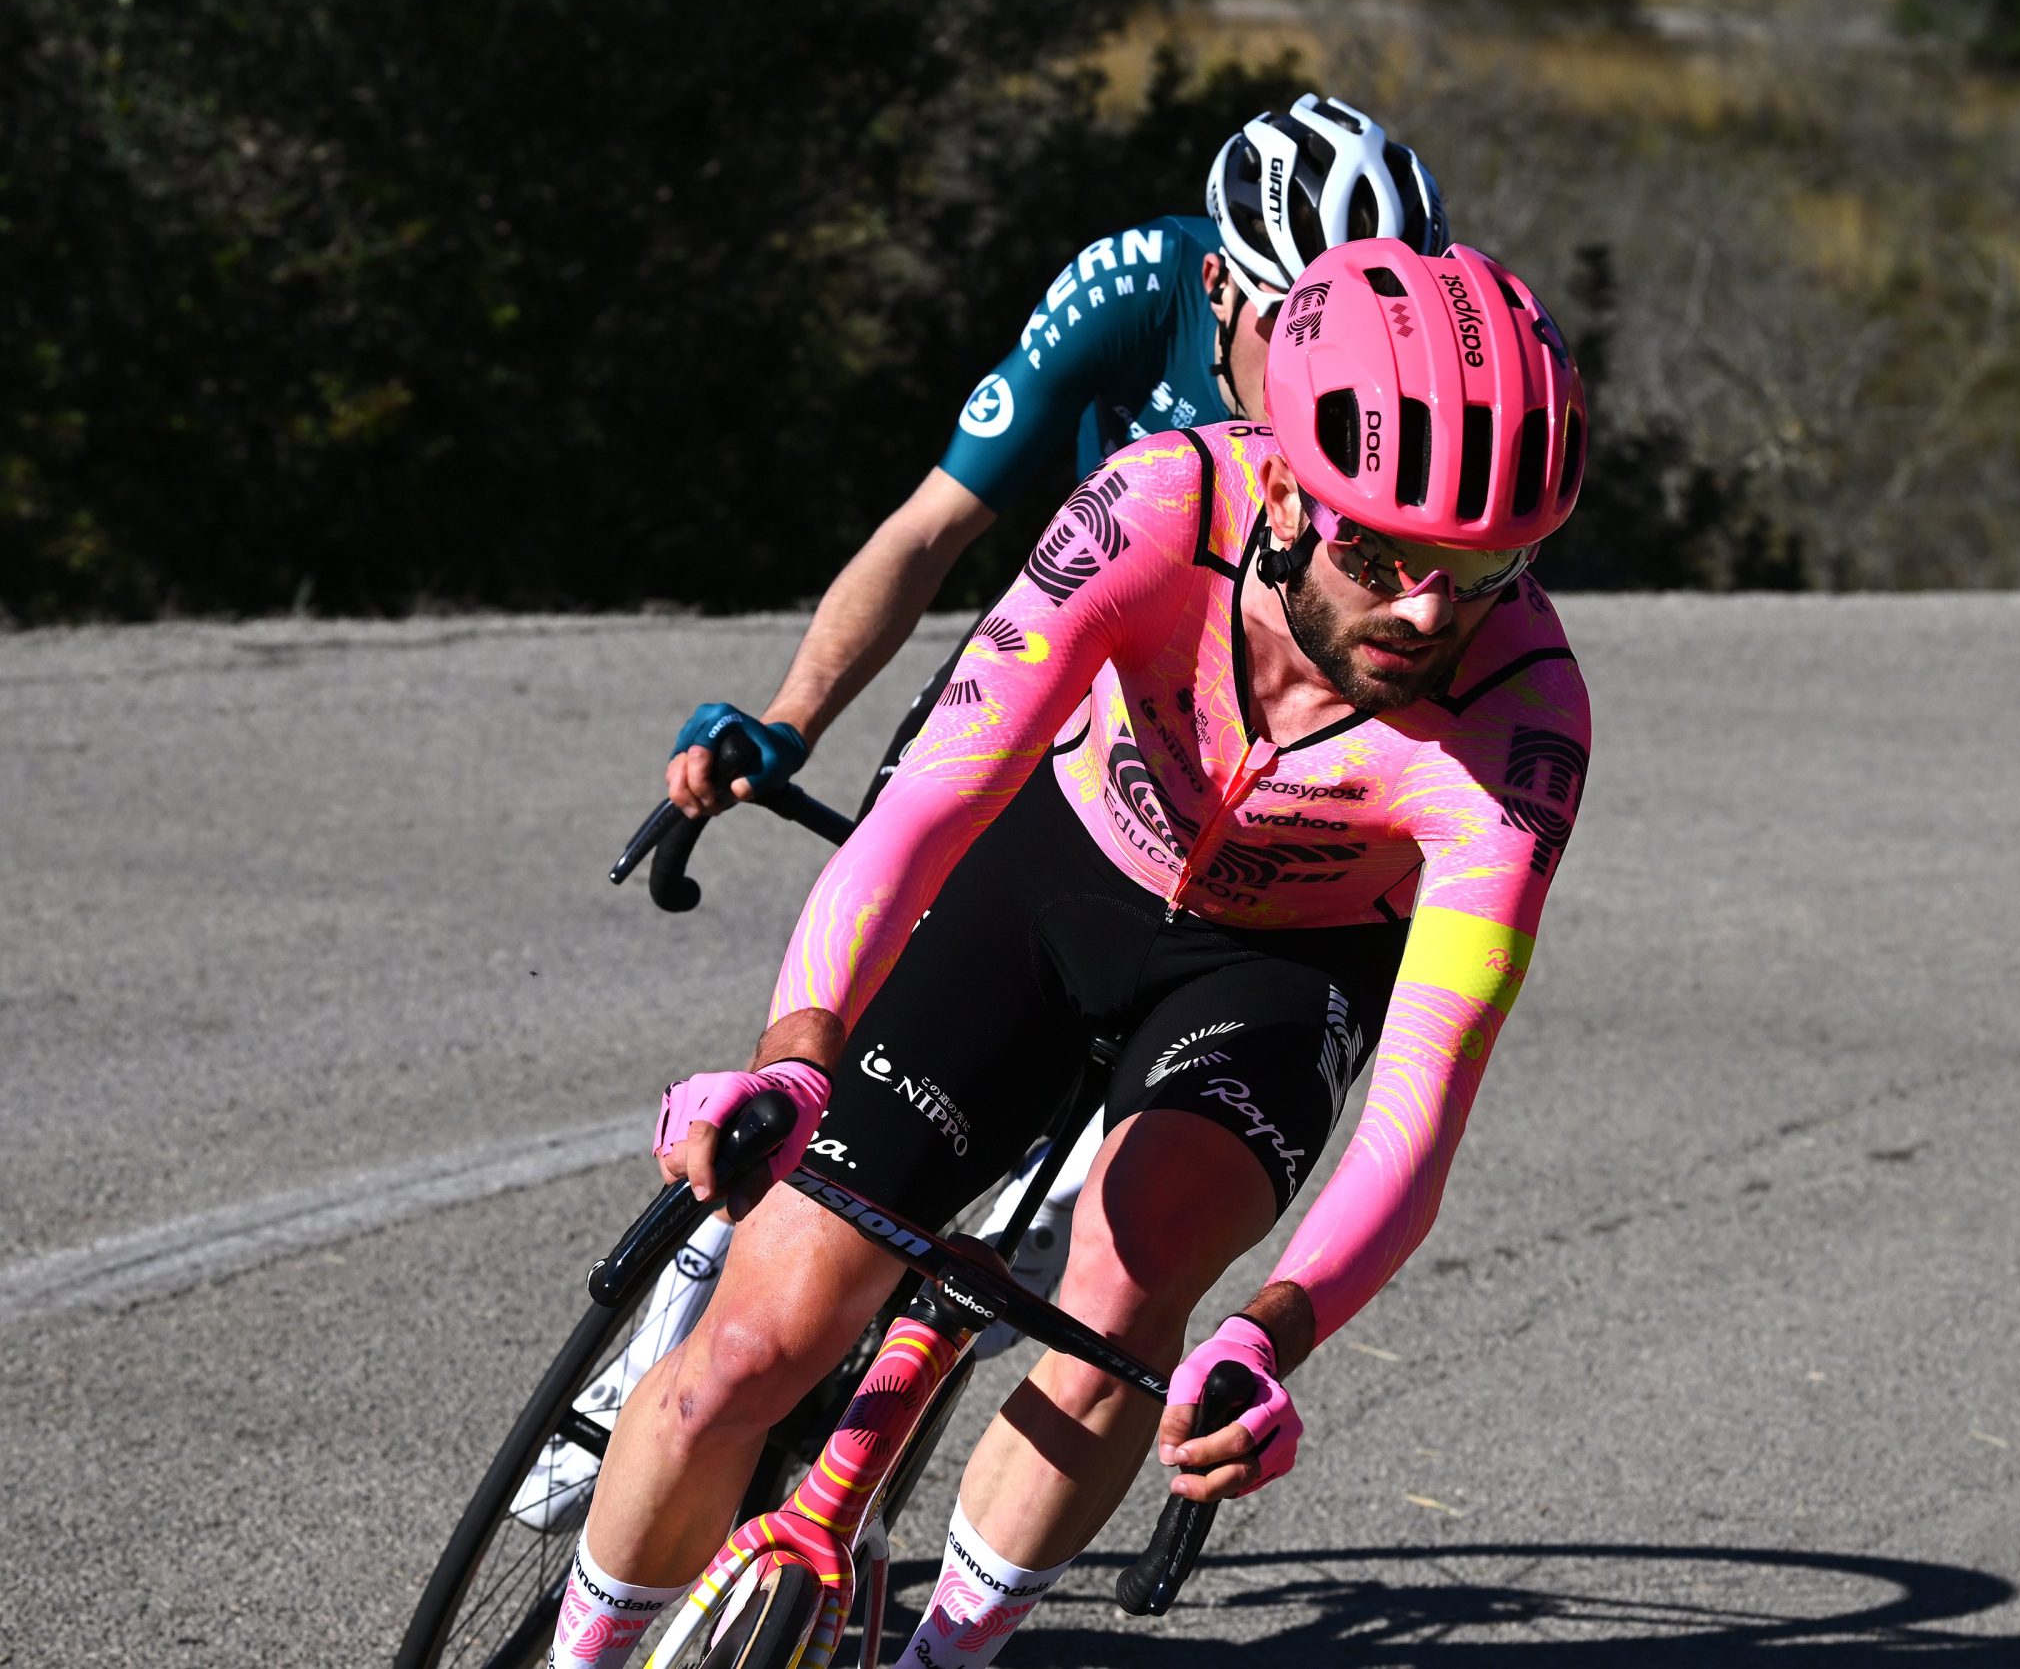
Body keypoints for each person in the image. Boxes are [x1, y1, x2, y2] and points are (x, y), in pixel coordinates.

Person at [548, 233, 1593, 1669]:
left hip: (1281, 968)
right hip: (1064, 873)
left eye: (1482, 570)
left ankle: (948, 1654)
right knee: (745, 1347)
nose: (1426, 611)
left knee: (1129, 1280)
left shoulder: (1520, 726)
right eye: (1382, 550)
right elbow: (923, 809)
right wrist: (793, 1056)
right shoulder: (1158, 506)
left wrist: (1266, 1338)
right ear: (1285, 483)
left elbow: (1422, 1109)